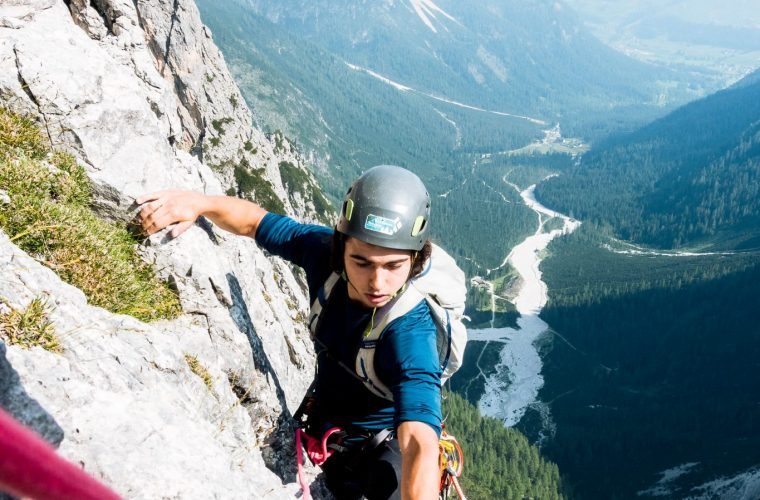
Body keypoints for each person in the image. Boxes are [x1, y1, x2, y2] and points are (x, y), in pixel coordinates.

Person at [138, 165, 442, 500]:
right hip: (323, 425)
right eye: (363, 262)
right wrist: (200, 202)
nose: (377, 282)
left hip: (377, 454)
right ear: (341, 247)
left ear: (414, 261)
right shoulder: (323, 256)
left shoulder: (411, 332)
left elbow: (419, 441)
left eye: (394, 266)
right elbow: (256, 222)